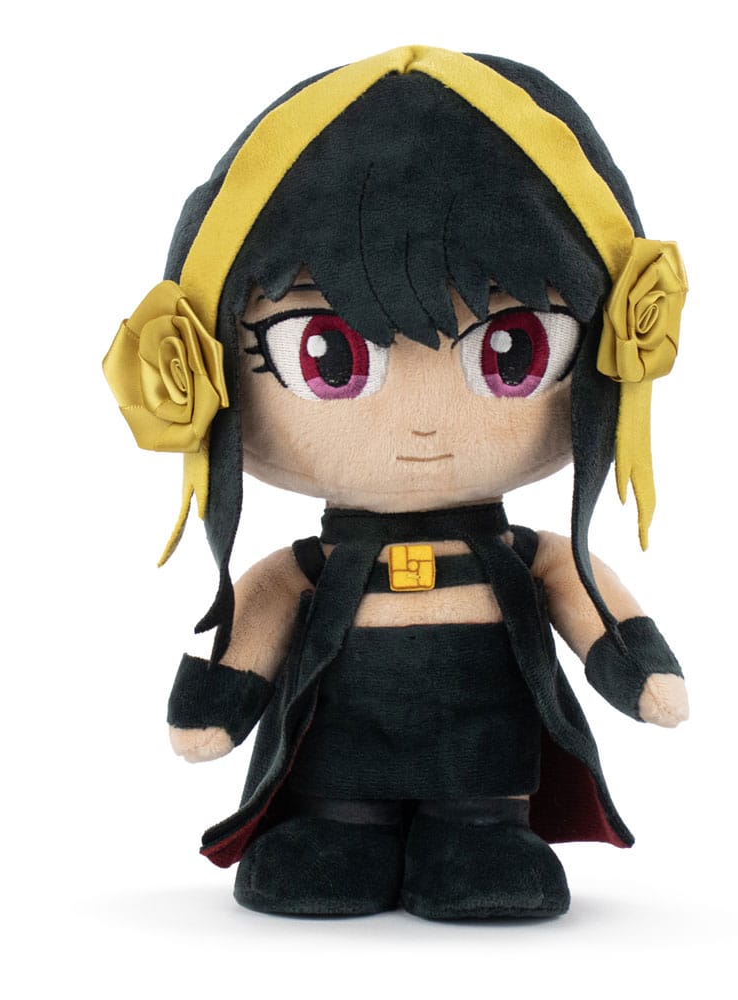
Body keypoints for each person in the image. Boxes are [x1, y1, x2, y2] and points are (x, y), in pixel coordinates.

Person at [104, 45, 690, 920]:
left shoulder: (524, 555)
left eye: (515, 350)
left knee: (483, 839)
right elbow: (265, 604)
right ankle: (338, 828)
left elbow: (580, 590)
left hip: (487, 767)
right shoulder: (308, 568)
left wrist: (632, 660)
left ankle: (479, 833)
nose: (421, 423)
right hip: (337, 765)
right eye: (329, 355)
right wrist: (219, 696)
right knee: (330, 836)